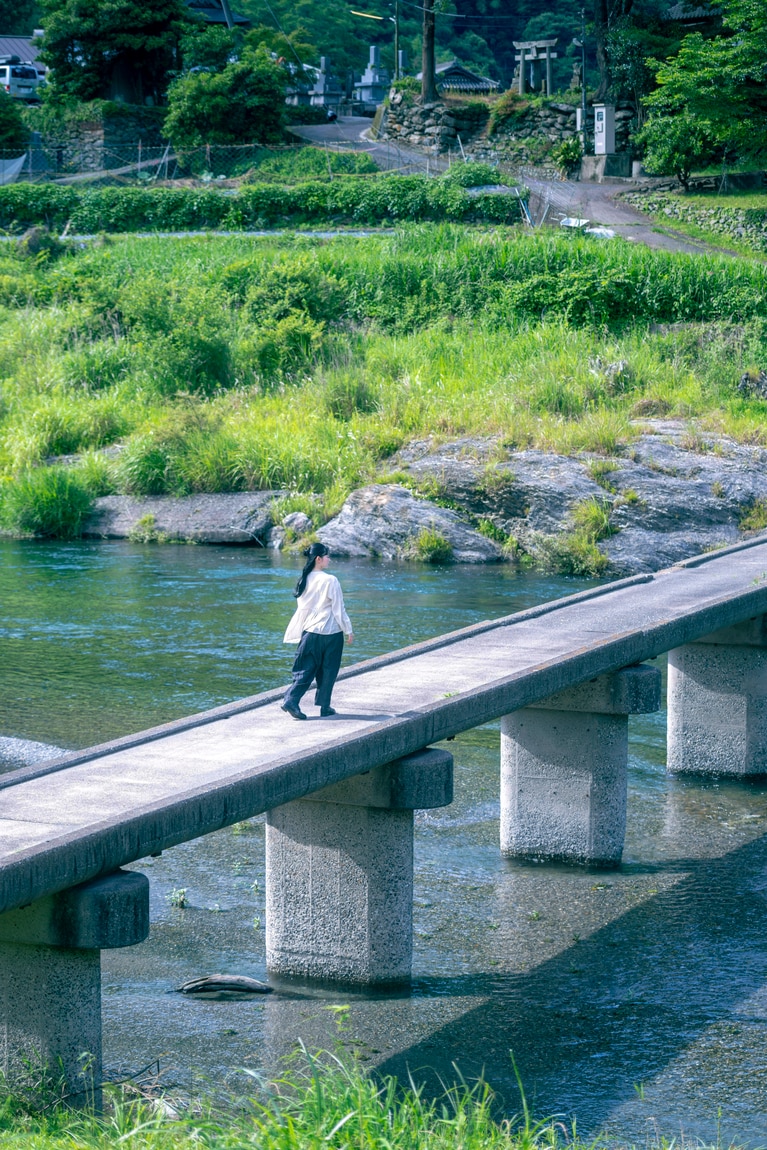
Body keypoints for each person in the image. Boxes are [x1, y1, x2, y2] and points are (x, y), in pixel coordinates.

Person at [281, 542, 353, 720]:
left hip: (310, 632)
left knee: (305, 669)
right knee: (329, 670)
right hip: (331, 632)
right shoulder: (330, 580)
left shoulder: (303, 579)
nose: (329, 559)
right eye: (327, 556)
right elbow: (338, 609)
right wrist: (348, 630)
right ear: (318, 559)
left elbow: (303, 609)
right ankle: (324, 706)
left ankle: (292, 700)